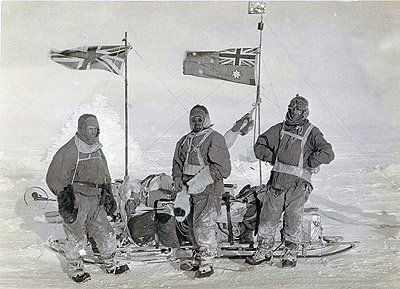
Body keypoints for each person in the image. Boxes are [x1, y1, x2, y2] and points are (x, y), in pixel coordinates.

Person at [245, 94, 335, 268]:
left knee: (293, 219)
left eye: (298, 110)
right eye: (292, 109)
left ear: (305, 112)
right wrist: (274, 158)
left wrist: (311, 162)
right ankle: (264, 250)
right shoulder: (279, 129)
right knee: (268, 218)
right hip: (277, 184)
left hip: (298, 186)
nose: (294, 112)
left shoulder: (311, 132)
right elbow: (259, 146)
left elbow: (328, 153)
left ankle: (290, 253)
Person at [46, 114, 129, 283]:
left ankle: (110, 263)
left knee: (105, 231)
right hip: (78, 199)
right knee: (76, 235)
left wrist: (108, 193)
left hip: (96, 199)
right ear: (82, 129)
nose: (94, 132)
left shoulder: (97, 149)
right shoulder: (70, 150)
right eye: (90, 129)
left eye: (96, 129)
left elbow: (105, 173)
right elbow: (54, 177)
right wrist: (66, 200)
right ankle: (76, 269)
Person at [172, 105, 231, 278]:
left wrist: (202, 181)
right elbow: (177, 163)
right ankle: (198, 257)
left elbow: (223, 168)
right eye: (193, 119)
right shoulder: (183, 141)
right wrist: (177, 178)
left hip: (208, 190)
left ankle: (207, 262)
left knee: (203, 226)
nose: (196, 123)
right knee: (191, 226)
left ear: (206, 119)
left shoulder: (215, 138)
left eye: (200, 119)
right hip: (188, 191)